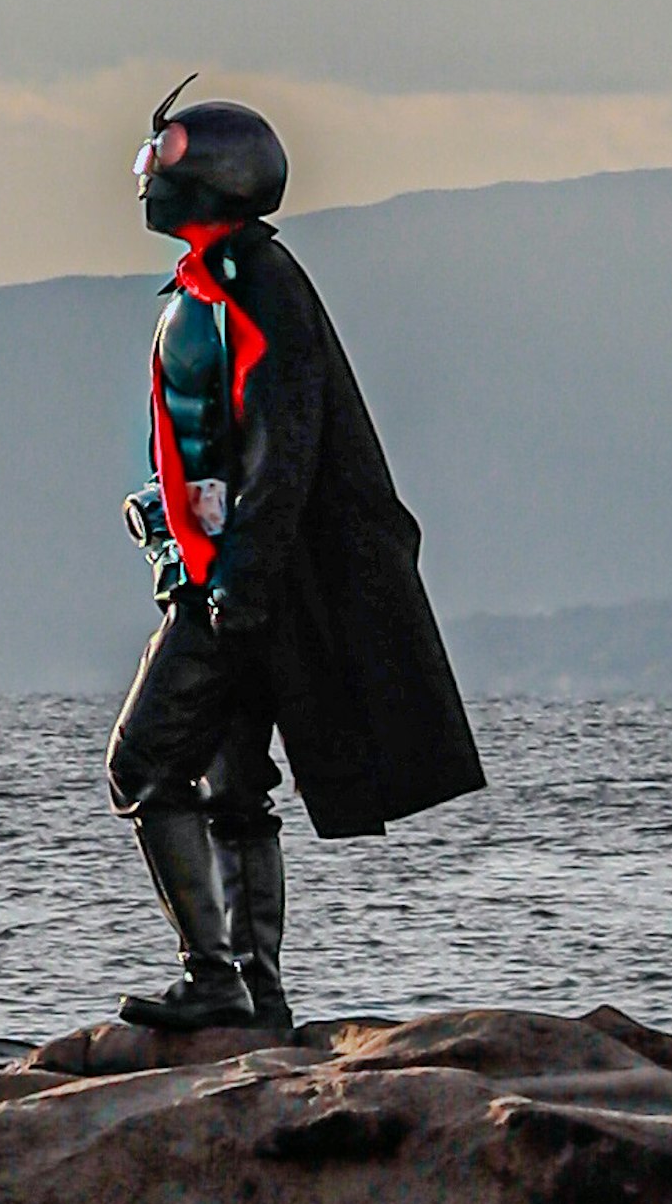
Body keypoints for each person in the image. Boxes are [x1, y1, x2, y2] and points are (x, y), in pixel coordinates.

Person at [108, 84, 483, 1037]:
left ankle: (216, 979)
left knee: (144, 764)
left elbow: (286, 441)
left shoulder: (252, 283)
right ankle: (259, 993)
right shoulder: (216, 282)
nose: (149, 175)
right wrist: (167, 517)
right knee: (234, 784)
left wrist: (237, 576)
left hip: (240, 586)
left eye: (166, 158)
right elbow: (218, 441)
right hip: (225, 574)